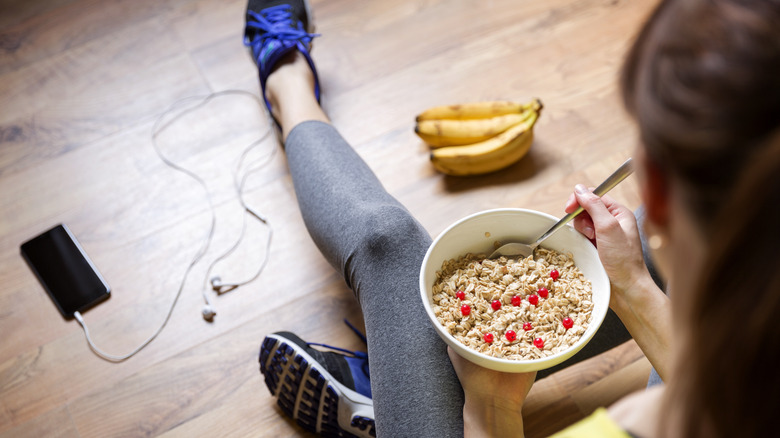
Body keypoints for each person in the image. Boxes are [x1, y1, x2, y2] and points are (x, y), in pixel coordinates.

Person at [245, 0, 780, 436]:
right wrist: (633, 285)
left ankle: (287, 82)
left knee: (389, 244)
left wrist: (489, 406)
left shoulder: (635, 426)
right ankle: (397, 384)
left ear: (657, 188)